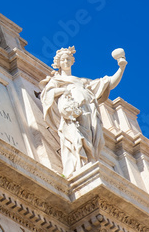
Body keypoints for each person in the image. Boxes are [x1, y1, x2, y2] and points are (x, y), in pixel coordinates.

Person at [39, 47, 126, 176]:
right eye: (63, 59)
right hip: (72, 113)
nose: (66, 61)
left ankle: (90, 162)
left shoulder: (83, 82)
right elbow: (47, 94)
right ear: (58, 63)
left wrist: (121, 67)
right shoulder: (56, 81)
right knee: (75, 138)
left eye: (69, 59)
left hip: (89, 113)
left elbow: (108, 83)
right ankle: (78, 166)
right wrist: (64, 90)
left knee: (93, 141)